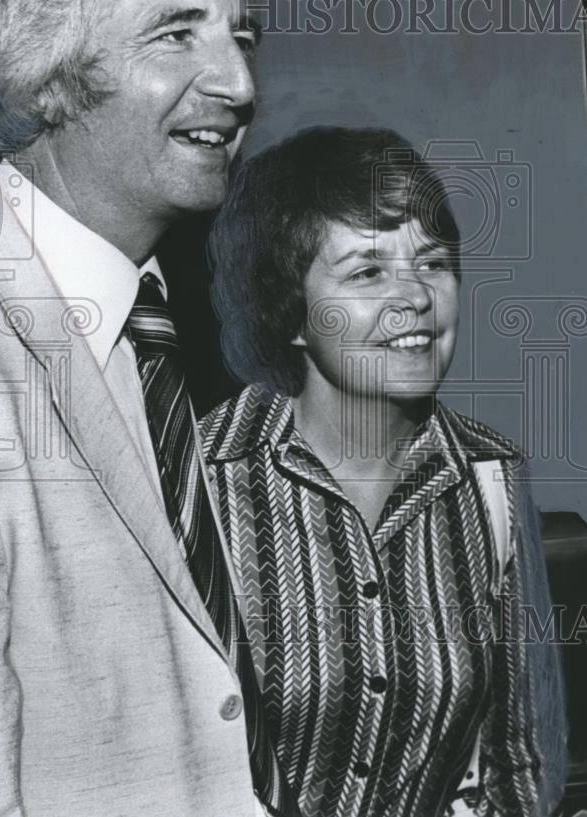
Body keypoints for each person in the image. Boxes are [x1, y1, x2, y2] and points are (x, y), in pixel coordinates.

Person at [0, 0, 297, 817]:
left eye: (242, 36)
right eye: (176, 32)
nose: (239, 86)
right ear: (47, 73)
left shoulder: (149, 324)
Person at [204, 126, 567, 817]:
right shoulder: (200, 481)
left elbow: (521, 753)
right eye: (367, 271)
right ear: (292, 312)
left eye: (432, 262)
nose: (417, 297)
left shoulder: (493, 479)